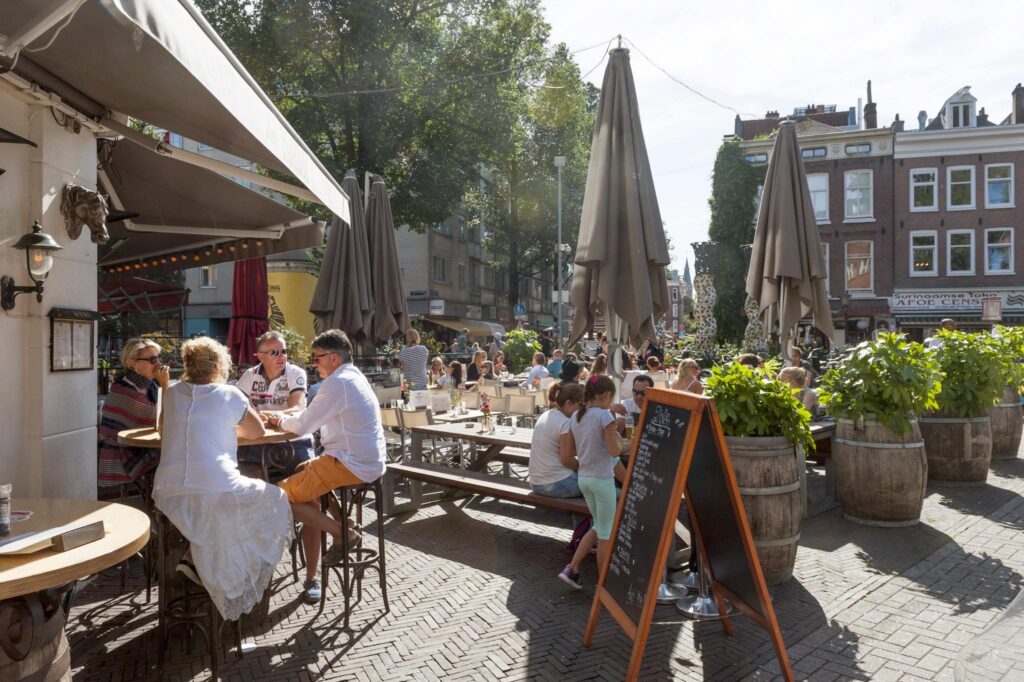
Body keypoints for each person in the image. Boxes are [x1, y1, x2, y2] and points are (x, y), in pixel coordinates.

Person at [154, 337, 292, 619]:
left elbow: (162, 431)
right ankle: (225, 580)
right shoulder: (229, 394)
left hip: (166, 490)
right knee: (274, 499)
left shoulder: (172, 392)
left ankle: (194, 558)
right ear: (218, 364)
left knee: (219, 511)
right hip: (215, 486)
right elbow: (258, 433)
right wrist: (225, 428)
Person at [262, 330, 386, 600]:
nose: (313, 363)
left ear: (333, 358)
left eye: (316, 358)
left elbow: (304, 425)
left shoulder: (337, 384)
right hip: (366, 461)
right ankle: (345, 520)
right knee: (302, 468)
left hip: (349, 462)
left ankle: (342, 533)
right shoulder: (354, 376)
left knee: (276, 497)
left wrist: (276, 421)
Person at [559, 376, 627, 589]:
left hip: (584, 478)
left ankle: (573, 569)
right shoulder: (604, 416)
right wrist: (627, 442)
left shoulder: (577, 416)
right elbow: (615, 451)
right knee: (606, 534)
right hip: (602, 479)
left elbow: (570, 452)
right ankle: (605, 585)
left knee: (599, 527)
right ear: (607, 396)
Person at [235, 331, 314, 477]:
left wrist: (268, 417)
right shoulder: (249, 376)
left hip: (295, 439)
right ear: (260, 356)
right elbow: (238, 408)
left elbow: (297, 407)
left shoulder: (295, 372)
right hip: (259, 443)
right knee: (245, 480)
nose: (281, 356)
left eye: (284, 351)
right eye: (274, 352)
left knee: (307, 486)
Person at [98, 338, 169, 488]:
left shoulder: (150, 385)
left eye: (158, 358)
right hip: (124, 454)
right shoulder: (123, 389)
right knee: (176, 455)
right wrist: (165, 384)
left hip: (141, 447)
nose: (158, 364)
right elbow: (161, 416)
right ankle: (160, 503)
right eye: (152, 359)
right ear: (133, 363)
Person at [529, 383, 585, 498]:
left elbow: (567, 451)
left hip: (536, 483)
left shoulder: (545, 415)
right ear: (569, 403)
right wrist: (584, 468)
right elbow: (566, 459)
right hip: (556, 484)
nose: (582, 410)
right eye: (581, 405)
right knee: (597, 484)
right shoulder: (564, 422)